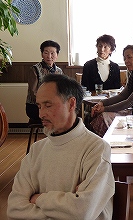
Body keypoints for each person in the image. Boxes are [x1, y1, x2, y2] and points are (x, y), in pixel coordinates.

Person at [7, 74, 115, 219]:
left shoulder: (96, 148)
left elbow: (83, 212)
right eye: (39, 106)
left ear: (71, 104)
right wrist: (66, 206)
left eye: (48, 105)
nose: (41, 114)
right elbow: (14, 209)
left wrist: (38, 199)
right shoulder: (36, 150)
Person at [26, 40, 63, 122]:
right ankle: (53, 134)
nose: (49, 56)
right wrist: (48, 103)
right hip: (36, 107)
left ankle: (59, 134)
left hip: (53, 105)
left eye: (52, 53)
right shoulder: (35, 69)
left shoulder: (59, 71)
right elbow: (33, 93)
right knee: (58, 116)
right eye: (46, 53)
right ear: (42, 54)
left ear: (57, 55)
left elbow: (61, 90)